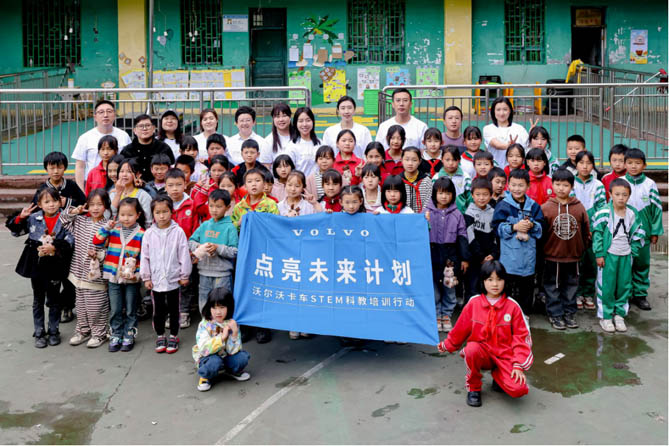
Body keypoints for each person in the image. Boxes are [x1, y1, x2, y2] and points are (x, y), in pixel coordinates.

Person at [437, 261, 533, 407]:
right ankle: (474, 388)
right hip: (482, 353)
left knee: (518, 389)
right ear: (483, 281)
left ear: (505, 281)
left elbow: (521, 337)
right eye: (490, 279)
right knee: (471, 350)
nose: (495, 284)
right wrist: (447, 344)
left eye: (499, 279)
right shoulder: (474, 303)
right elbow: (460, 328)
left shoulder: (513, 306)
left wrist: (518, 364)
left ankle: (498, 376)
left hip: (504, 355)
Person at [6, 189, 74, 348]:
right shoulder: (32, 218)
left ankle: (54, 330)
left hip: (55, 264)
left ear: (60, 202)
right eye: (47, 202)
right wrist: (21, 217)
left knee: (54, 300)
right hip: (36, 264)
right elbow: (16, 232)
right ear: (39, 204)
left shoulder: (65, 219)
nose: (51, 205)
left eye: (55, 201)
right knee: (38, 299)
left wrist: (55, 247)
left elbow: (70, 240)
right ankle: (39, 331)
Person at [31, 152, 86, 323]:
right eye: (52, 167)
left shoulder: (71, 186)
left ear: (65, 168)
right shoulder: (42, 188)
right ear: (46, 169)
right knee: (50, 277)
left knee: (69, 277)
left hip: (67, 239)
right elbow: (35, 210)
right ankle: (55, 303)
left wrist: (67, 204)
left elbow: (83, 204)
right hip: (48, 241)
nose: (56, 171)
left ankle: (67, 306)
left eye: (60, 167)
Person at [592, 178, 646, 332]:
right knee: (606, 286)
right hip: (608, 256)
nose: (621, 198)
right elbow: (597, 234)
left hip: (626, 255)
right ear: (610, 194)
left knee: (624, 285)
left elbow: (639, 233)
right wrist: (599, 254)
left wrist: (633, 251)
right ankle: (606, 316)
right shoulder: (604, 212)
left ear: (629, 196)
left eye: (624, 195)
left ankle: (619, 314)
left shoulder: (632, 213)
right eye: (617, 194)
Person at [93, 197, 146, 352]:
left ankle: (129, 334)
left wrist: (137, 274)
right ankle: (116, 334)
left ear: (138, 215)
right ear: (117, 215)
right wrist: (106, 228)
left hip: (131, 279)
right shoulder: (114, 230)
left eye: (130, 215)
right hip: (113, 276)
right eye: (122, 215)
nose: (126, 218)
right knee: (115, 308)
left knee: (130, 309)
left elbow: (144, 257)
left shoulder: (142, 234)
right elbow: (97, 241)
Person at [60, 190, 111, 348]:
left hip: (96, 274)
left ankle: (100, 333)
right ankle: (83, 330)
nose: (95, 208)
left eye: (100, 204)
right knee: (81, 306)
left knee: (96, 306)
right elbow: (63, 220)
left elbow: (111, 250)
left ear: (106, 206)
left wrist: (99, 255)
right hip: (78, 272)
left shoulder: (109, 226)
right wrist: (75, 211)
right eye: (92, 204)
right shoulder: (81, 221)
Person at [141, 195, 192, 354]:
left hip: (173, 279)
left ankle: (174, 335)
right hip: (156, 280)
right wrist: (146, 277)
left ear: (171, 212)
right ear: (153, 214)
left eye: (165, 212)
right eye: (158, 212)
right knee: (158, 310)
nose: (161, 216)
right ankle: (160, 335)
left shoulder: (178, 232)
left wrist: (184, 275)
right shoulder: (149, 233)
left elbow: (184, 254)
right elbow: (145, 256)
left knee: (174, 309)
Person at [541, 169, 591, 330]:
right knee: (552, 286)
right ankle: (555, 314)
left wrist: (582, 247)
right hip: (552, 256)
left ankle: (569, 313)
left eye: (565, 185)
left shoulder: (579, 207)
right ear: (552, 185)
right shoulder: (546, 208)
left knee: (571, 286)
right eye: (557, 184)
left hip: (573, 256)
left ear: (571, 187)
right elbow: (541, 233)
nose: (561, 188)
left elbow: (586, 230)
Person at [492, 169, 544, 316]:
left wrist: (532, 225)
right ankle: (505, 316)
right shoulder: (503, 205)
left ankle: (524, 315)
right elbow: (496, 228)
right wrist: (514, 227)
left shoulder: (534, 206)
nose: (517, 189)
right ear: (508, 185)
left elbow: (541, 228)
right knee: (507, 289)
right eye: (513, 185)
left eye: (521, 185)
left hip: (528, 259)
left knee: (527, 289)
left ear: (528, 186)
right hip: (509, 259)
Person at [423, 177, 469, 332]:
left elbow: (462, 236)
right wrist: (424, 221)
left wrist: (464, 258)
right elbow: (417, 232)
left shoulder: (457, 214)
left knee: (449, 287)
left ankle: (447, 314)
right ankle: (436, 314)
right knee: (434, 287)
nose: (444, 196)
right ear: (434, 194)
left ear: (453, 195)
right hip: (431, 253)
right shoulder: (426, 212)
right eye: (441, 193)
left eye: (448, 193)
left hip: (450, 256)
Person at [624, 148, 663, 311]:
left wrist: (654, 231)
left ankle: (640, 295)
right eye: (630, 163)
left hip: (644, 234)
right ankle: (625, 295)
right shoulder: (620, 182)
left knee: (642, 264)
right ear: (625, 164)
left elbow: (657, 209)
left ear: (644, 165)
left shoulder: (650, 184)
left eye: (637, 163)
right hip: (623, 234)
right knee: (625, 264)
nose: (633, 166)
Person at [189, 189, 239, 312]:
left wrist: (218, 248)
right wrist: (200, 247)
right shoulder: (205, 225)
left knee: (222, 303)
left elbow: (235, 251)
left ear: (227, 207)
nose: (214, 210)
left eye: (219, 206)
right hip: (204, 272)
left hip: (222, 274)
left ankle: (222, 324)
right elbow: (190, 242)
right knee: (204, 301)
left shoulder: (230, 227)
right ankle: (205, 323)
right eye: (211, 206)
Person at [193, 287, 251, 392]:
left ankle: (231, 370)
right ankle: (205, 376)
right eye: (214, 308)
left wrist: (234, 333)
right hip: (208, 358)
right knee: (214, 361)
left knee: (242, 357)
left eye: (222, 307)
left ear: (229, 307)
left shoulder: (232, 323)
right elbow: (204, 350)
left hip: (225, 356)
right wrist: (222, 338)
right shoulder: (204, 324)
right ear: (209, 308)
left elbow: (233, 351)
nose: (218, 312)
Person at [165, 168, 200, 329]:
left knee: (185, 282)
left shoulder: (191, 205)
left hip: (186, 252)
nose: (175, 189)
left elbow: (195, 230)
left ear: (185, 184)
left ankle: (184, 312)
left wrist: (193, 251)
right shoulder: (163, 204)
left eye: (179, 185)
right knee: (170, 282)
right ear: (165, 186)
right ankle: (171, 312)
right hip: (167, 253)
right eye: (171, 185)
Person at [72, 100, 131, 191]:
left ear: (114, 115)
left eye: (109, 111)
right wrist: (81, 191)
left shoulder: (124, 136)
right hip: (94, 184)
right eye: (101, 112)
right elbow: (80, 166)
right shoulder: (85, 137)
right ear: (95, 117)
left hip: (119, 185)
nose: (105, 115)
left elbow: (129, 162)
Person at [573, 151, 606, 311]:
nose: (585, 167)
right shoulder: (571, 182)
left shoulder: (598, 185)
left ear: (593, 165)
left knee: (591, 264)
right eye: (581, 163)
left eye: (588, 163)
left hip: (593, 232)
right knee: (577, 263)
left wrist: (593, 229)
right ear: (576, 164)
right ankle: (578, 293)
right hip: (575, 231)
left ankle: (588, 293)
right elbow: (571, 206)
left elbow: (601, 208)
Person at [463, 178, 499, 297]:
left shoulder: (493, 212)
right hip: (474, 258)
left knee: (487, 287)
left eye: (485, 194)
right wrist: (481, 257)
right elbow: (470, 238)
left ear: (491, 195)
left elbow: (495, 236)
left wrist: (493, 254)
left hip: (489, 258)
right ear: (472, 195)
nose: (481, 198)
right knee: (473, 287)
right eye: (478, 194)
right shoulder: (469, 213)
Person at [120, 114, 174, 183]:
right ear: (135, 130)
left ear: (154, 128)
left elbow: (171, 169)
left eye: (148, 125)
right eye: (141, 126)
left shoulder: (164, 148)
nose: (144, 129)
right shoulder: (127, 150)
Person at [483, 97, 529, 168]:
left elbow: (526, 148)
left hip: (516, 170)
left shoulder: (520, 129)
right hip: (495, 169)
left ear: (510, 111)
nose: (501, 113)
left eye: (505, 109)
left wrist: (533, 135)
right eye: (498, 110)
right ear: (493, 111)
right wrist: (508, 146)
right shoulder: (488, 129)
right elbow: (496, 144)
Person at [109, 158, 153, 226]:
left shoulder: (143, 196)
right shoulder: (113, 194)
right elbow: (108, 216)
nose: (124, 174)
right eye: (121, 171)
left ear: (137, 174)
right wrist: (118, 194)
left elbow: (148, 222)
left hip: (137, 232)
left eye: (129, 171)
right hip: (115, 231)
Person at [191, 155, 229, 222]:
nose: (216, 174)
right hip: (210, 223)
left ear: (227, 170)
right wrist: (203, 192)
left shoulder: (231, 185)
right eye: (213, 170)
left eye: (220, 170)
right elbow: (197, 208)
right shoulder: (205, 186)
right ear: (209, 170)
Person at [287, 107, 321, 176]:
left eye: (308, 120)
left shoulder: (320, 143)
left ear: (313, 122)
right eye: (301, 121)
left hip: (318, 182)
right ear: (296, 123)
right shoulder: (292, 146)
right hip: (299, 182)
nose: (304, 124)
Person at [261, 102, 295, 167]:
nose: (281, 119)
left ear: (290, 117)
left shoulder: (299, 137)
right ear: (273, 119)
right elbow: (266, 167)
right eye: (277, 116)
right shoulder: (268, 141)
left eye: (284, 116)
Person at [400, 147, 433, 213]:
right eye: (407, 160)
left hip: (423, 217)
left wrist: (421, 216)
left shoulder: (427, 181)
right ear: (401, 160)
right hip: (402, 216)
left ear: (419, 161)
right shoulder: (398, 181)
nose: (410, 163)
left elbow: (429, 203)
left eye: (414, 160)